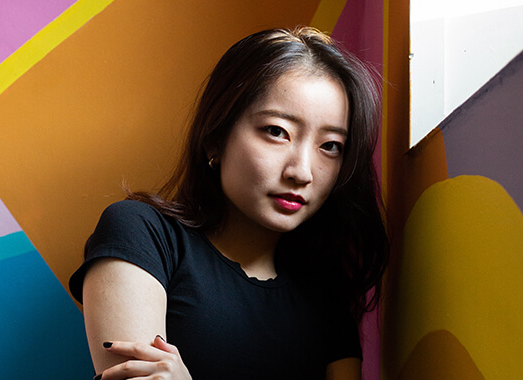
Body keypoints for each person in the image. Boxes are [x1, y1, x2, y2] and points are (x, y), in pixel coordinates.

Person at [69, 26, 389, 380]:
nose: (302, 172)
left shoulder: (326, 299)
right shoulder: (143, 235)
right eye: (276, 131)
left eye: (330, 146)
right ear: (215, 140)